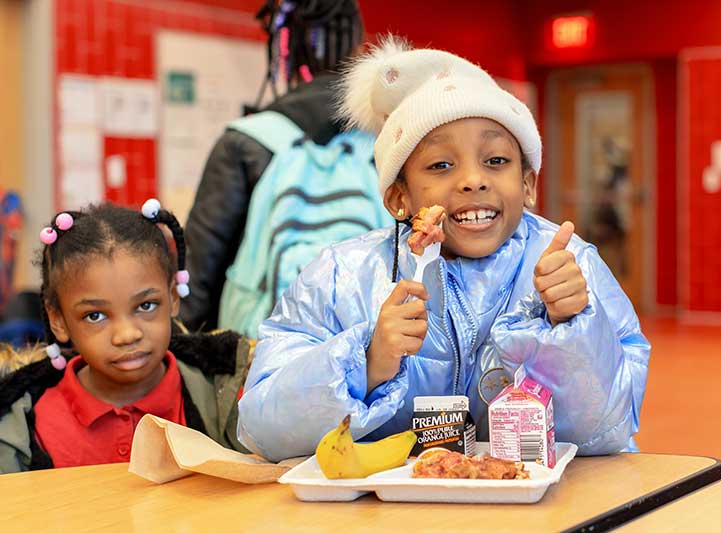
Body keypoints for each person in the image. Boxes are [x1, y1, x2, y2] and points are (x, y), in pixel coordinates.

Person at [237, 38, 651, 462]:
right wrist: (369, 361)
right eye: (441, 165)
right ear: (399, 197)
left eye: (496, 161)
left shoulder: (568, 265)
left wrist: (572, 328)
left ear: (528, 184)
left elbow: (607, 431)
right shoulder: (341, 276)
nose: (473, 180)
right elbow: (263, 430)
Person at [0, 200, 250, 473]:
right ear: (58, 320)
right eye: (95, 316)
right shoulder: (26, 427)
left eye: (146, 306)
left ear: (173, 296)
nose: (127, 335)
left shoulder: (226, 399)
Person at [180, 0, 378, 332]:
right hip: (372, 350)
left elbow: (197, 281)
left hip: (261, 356)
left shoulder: (246, 142)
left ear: (285, 50)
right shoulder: (389, 139)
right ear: (360, 48)